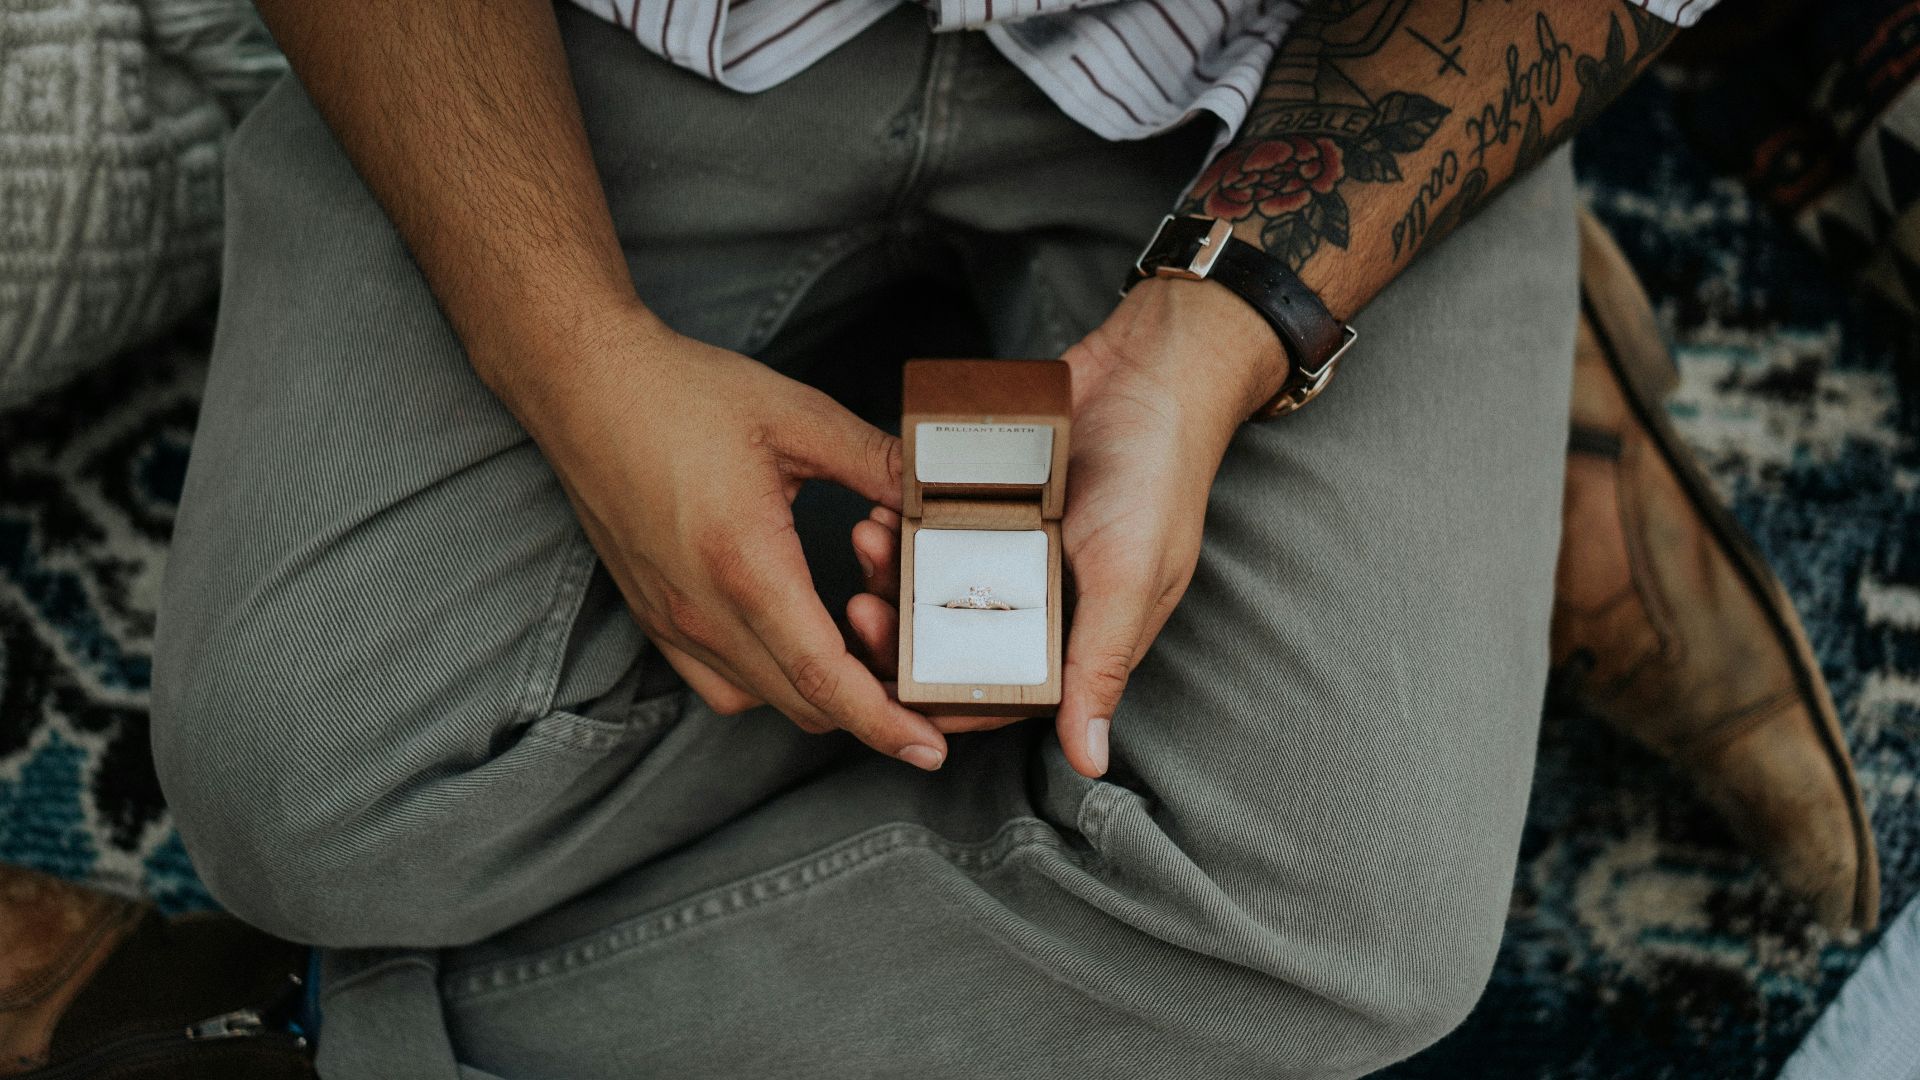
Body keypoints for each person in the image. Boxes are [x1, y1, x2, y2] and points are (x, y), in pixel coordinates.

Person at [148, 0, 1869, 1075]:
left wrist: (1227, 336)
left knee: (1350, 924)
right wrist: (575, 360)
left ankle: (278, 1048)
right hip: (608, 50)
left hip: (1297, 89)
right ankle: (1418, 492)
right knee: (305, 787)